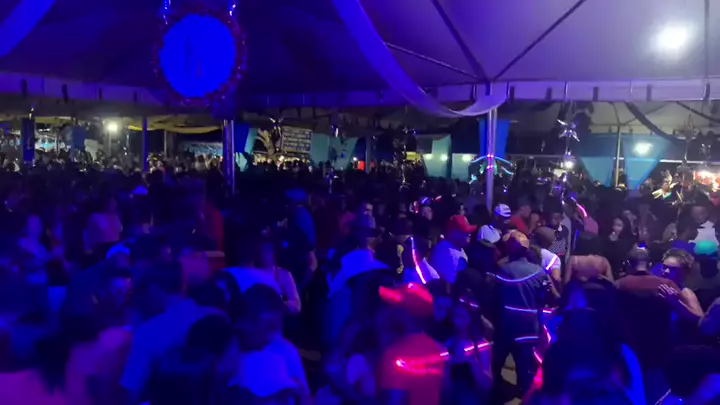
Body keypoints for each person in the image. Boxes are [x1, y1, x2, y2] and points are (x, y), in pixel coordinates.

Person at [120, 262, 219, 402]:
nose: (139, 299)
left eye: (142, 290)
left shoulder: (149, 332)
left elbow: (132, 392)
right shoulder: (216, 316)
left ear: (156, 288)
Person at [231, 285, 310, 404]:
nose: (273, 335)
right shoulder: (226, 354)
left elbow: (305, 397)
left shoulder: (284, 350)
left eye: (277, 328)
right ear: (243, 322)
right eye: (268, 329)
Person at [492, 230, 548, 396]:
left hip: (506, 325)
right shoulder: (539, 272)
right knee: (525, 372)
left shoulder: (502, 270)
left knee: (496, 365)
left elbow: (494, 297)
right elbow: (548, 297)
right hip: (529, 327)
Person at [256, 239, 301, 314]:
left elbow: (296, 306)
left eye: (267, 249)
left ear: (273, 251)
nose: (264, 253)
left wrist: (279, 303)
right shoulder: (252, 274)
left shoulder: (284, 275)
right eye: (261, 250)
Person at [429, 215, 475, 284]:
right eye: (465, 232)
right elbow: (449, 282)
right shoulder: (444, 250)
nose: (469, 234)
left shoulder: (458, 247)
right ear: (454, 233)